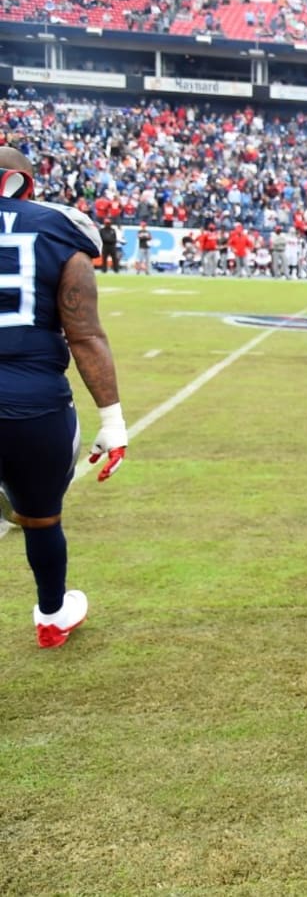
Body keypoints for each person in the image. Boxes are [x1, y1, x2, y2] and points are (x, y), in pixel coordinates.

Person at [0, 146, 128, 648]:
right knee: (40, 517)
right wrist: (113, 421)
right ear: (26, 184)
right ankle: (51, 616)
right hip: (35, 403)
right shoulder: (60, 229)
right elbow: (86, 334)